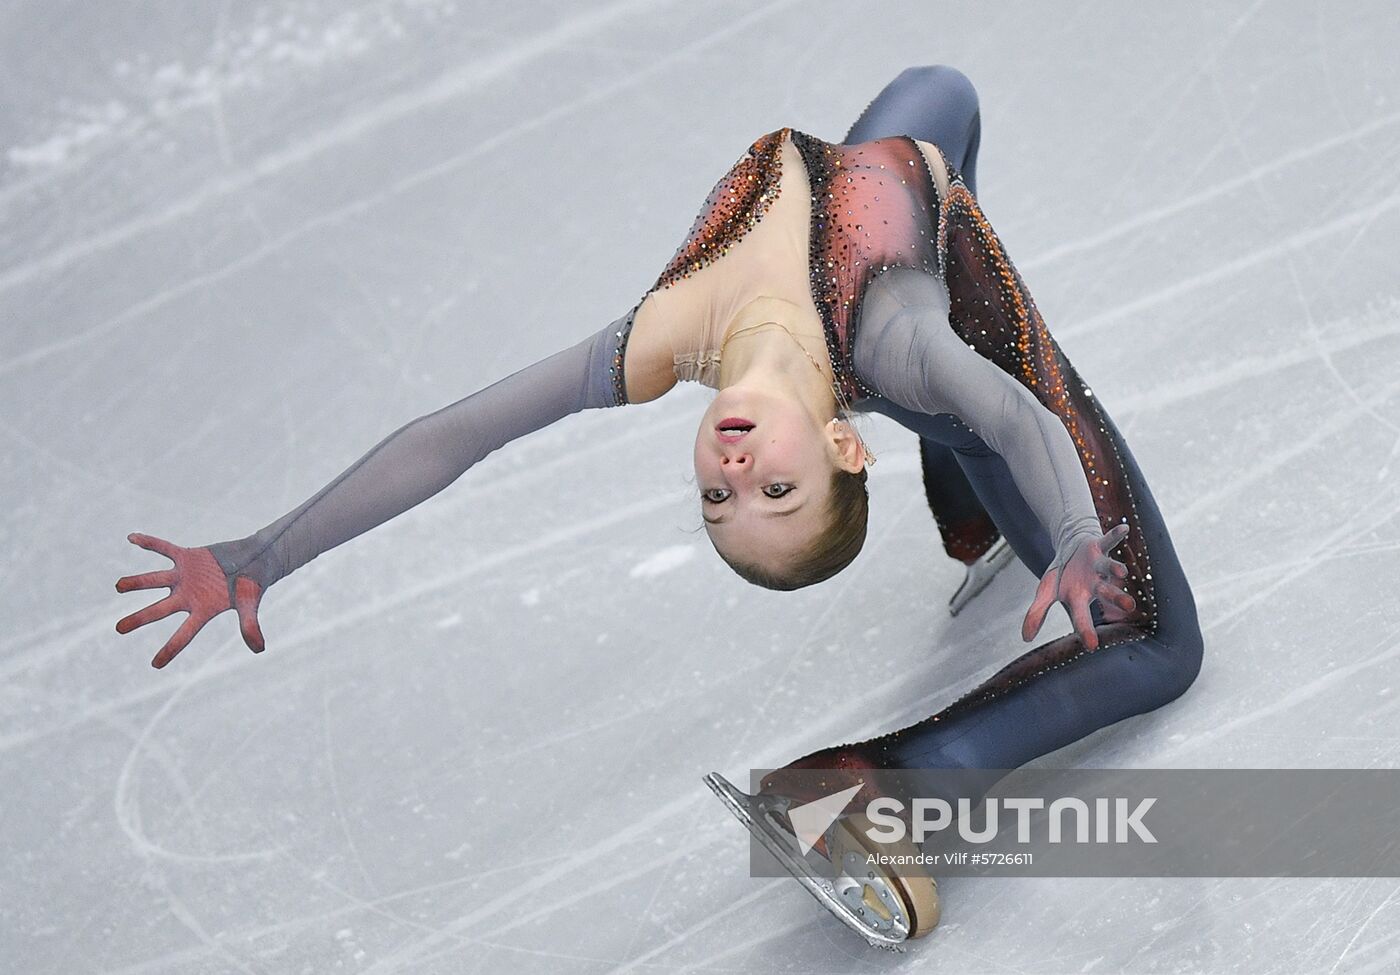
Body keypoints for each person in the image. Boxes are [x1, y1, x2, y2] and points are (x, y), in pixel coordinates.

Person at [116, 65, 1202, 938]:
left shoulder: (664, 336)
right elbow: (1019, 414)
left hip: (932, 330)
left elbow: (454, 434)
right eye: (772, 491)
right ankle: (883, 782)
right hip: (987, 377)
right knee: (1150, 641)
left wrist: (265, 551)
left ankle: (963, 506)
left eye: (721, 498)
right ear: (838, 445)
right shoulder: (900, 341)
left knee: (943, 94)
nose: (732, 473)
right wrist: (1068, 535)